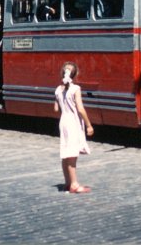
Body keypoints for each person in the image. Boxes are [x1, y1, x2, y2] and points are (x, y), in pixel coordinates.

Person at [54, 61, 94, 194]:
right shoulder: (76, 89)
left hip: (63, 121)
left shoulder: (58, 89)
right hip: (72, 122)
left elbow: (56, 109)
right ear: (75, 75)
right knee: (72, 154)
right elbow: (80, 109)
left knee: (65, 153)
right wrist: (88, 125)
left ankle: (67, 182)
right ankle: (74, 184)